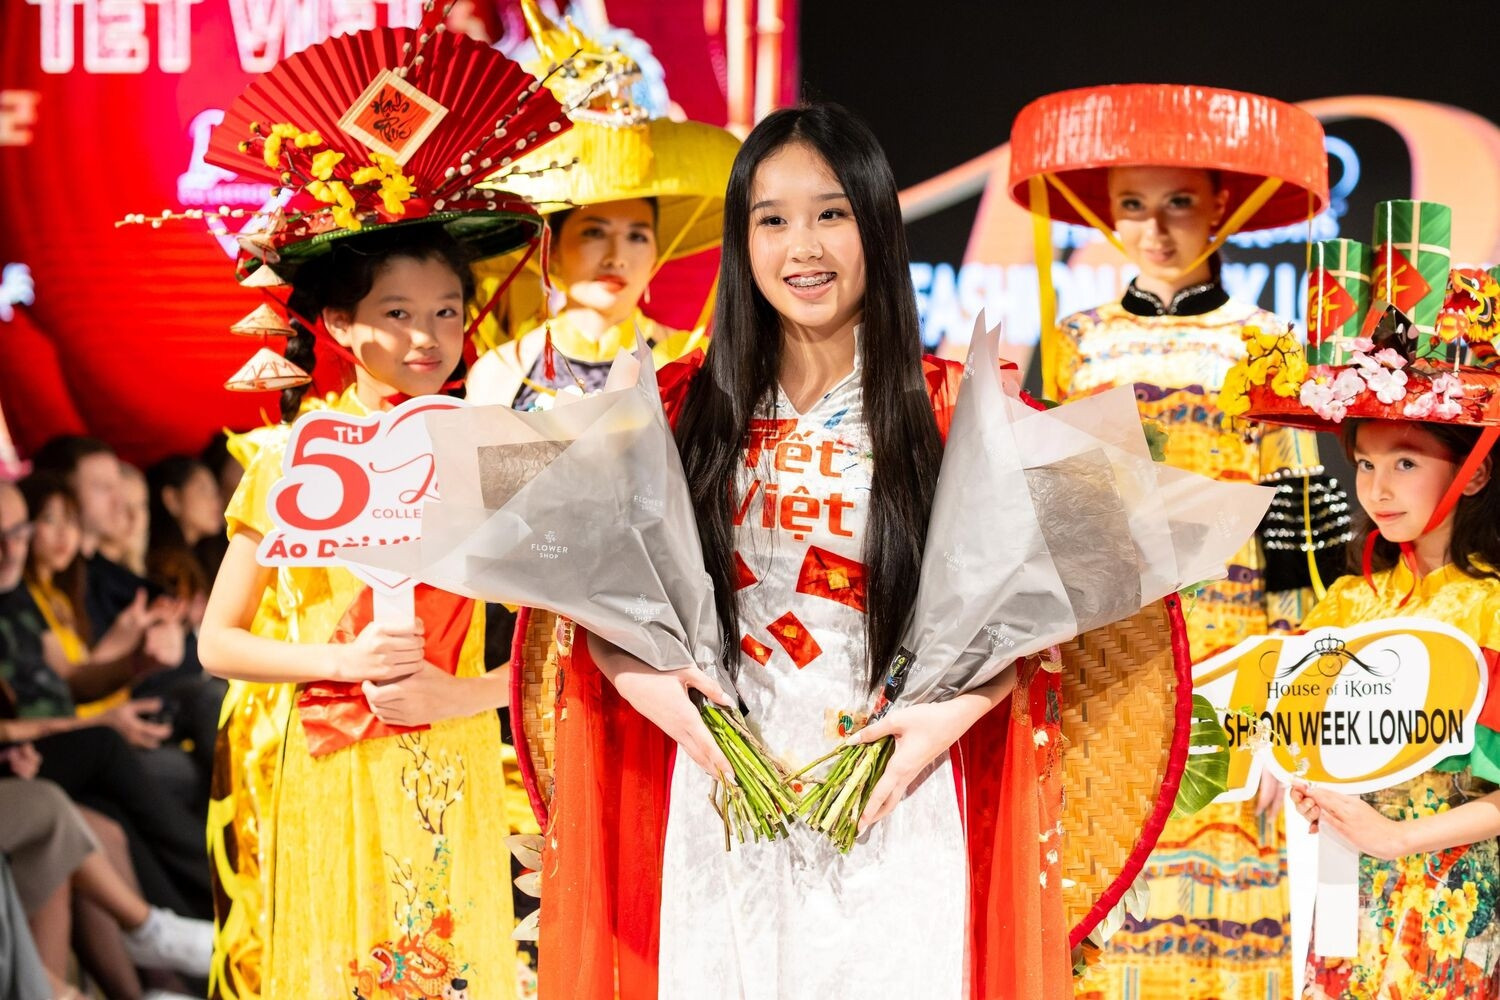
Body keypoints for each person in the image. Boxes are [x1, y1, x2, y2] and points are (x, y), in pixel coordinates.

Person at [535, 102, 1067, 1000]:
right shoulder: (678, 412)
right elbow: (597, 615)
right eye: (772, 220)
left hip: (896, 798)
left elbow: (1030, 625)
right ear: (742, 243)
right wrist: (650, 689)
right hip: (721, 801)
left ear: (877, 226)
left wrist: (944, 722)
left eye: (830, 214)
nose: (802, 247)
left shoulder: (954, 413)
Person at [192, 23, 570, 997]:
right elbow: (218, 642)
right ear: (338, 323)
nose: (427, 338)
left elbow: (569, 644)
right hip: (332, 773)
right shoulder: (291, 460)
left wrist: (460, 697)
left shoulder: (495, 452)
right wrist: (343, 663)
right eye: (397, 314)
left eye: (446, 311)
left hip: (455, 759)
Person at [1010, 84, 1336, 1000]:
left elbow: (1300, 534)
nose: (1154, 228)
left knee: (1230, 893)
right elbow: (1047, 526)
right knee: (1109, 883)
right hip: (1112, 659)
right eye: (1132, 205)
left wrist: (1294, 702)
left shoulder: (1270, 344)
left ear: (1221, 205)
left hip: (1237, 657)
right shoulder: (1074, 345)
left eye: (1179, 201)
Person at [1228, 260, 1500, 998]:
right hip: (1347, 898)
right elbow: (1305, 743)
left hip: (1458, 907)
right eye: (1367, 463)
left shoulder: (1489, 609)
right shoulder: (1346, 605)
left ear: (1474, 472)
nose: (1377, 489)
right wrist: (1307, 783)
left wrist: (1400, 837)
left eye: (1406, 462)